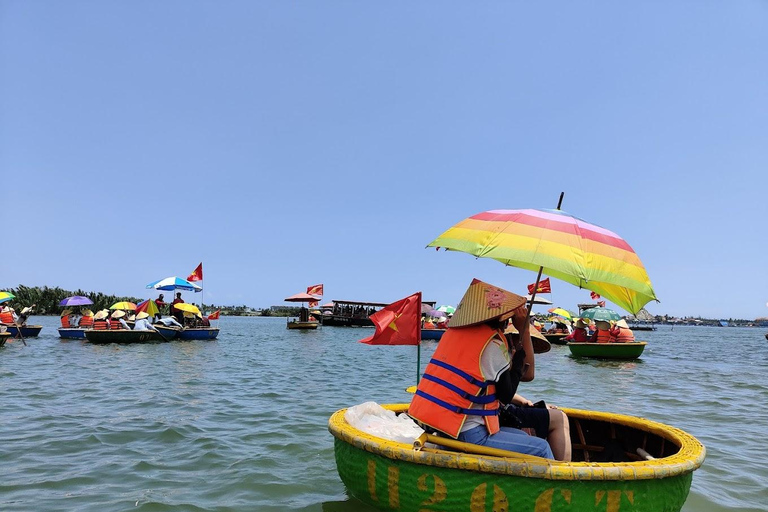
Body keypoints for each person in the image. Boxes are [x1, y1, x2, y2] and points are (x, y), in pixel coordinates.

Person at [408, 278, 554, 459]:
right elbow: (506, 395)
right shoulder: (492, 344)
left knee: (523, 437)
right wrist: (518, 361)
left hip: (447, 427)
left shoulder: (452, 335)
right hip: (471, 434)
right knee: (542, 447)